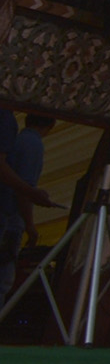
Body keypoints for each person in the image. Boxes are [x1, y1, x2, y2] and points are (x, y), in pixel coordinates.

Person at [0, 107, 55, 275]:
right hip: (10, 217)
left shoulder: (18, 139)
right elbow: (23, 190)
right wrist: (30, 226)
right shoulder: (33, 144)